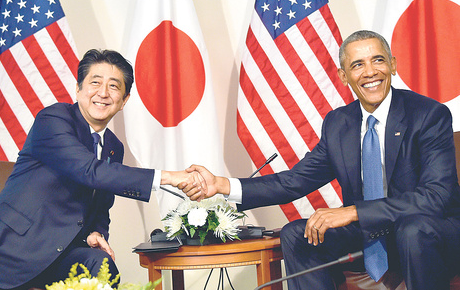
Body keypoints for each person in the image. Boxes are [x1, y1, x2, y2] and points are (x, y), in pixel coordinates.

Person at [184, 30, 460, 290]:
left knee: (413, 230)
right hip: (370, 234)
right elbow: (292, 182)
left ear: (393, 65)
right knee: (297, 234)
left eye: (378, 60)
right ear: (343, 76)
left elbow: (437, 197)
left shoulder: (428, 115)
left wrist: (353, 212)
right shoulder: (339, 124)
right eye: (358, 65)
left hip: (427, 233)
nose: (371, 72)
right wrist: (221, 185)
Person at [0, 49, 204, 290]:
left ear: (124, 101)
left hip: (61, 254)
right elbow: (90, 171)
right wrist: (169, 177)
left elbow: (101, 208)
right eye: (95, 83)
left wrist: (95, 233)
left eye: (114, 86)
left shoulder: (113, 147)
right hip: (10, 252)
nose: (103, 93)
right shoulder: (53, 119)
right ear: (78, 89)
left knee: (100, 263)